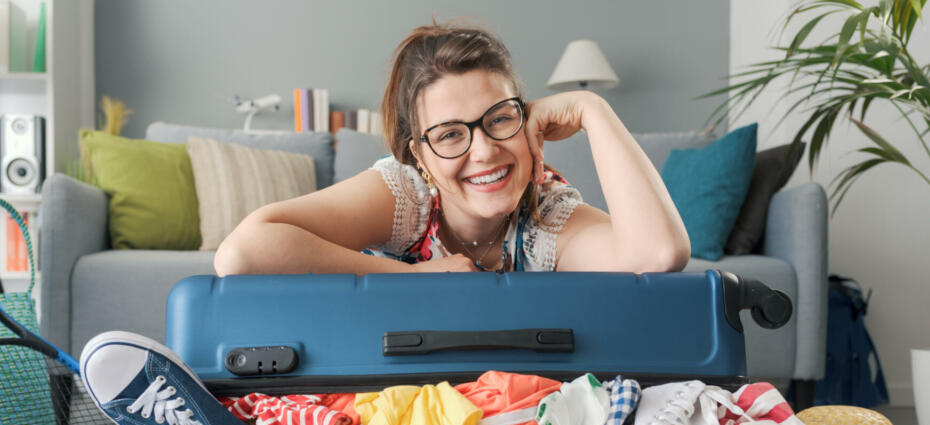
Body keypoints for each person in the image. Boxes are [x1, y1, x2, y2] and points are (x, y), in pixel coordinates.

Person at [214, 22, 689, 276]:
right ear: (418, 156)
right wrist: (415, 280)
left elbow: (661, 253)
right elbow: (240, 254)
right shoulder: (405, 196)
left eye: (500, 119)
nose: (483, 151)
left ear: (527, 119)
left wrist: (591, 108)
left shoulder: (547, 217)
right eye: (448, 135)